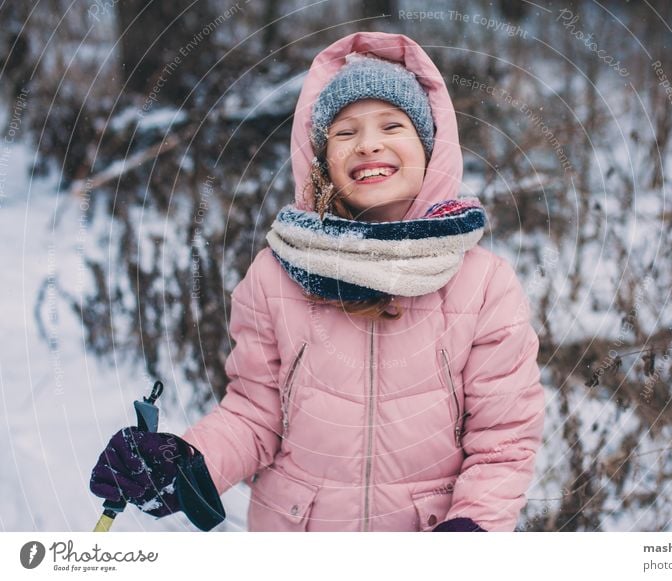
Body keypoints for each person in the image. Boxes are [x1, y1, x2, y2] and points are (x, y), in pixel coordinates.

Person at [90, 31, 545, 532]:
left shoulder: (483, 283)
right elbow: (254, 415)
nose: (368, 142)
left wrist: (473, 525)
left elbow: (503, 440)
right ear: (321, 162)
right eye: (344, 133)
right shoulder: (276, 273)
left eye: (392, 125)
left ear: (431, 148)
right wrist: (187, 463)